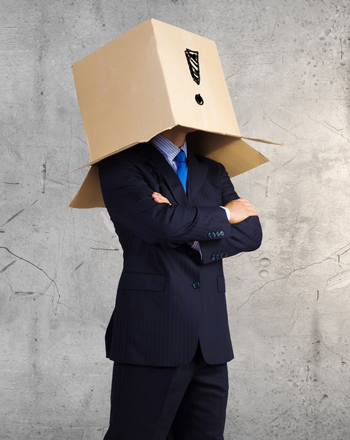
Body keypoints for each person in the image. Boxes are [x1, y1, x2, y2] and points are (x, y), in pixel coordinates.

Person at [97, 125, 261, 439]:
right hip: (152, 335)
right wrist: (226, 214)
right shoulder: (121, 166)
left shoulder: (213, 170)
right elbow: (160, 226)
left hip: (210, 340)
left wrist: (190, 233)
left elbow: (252, 234)